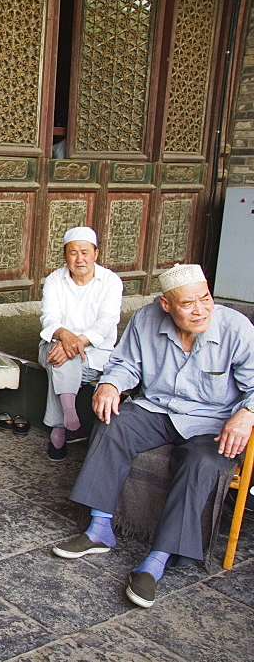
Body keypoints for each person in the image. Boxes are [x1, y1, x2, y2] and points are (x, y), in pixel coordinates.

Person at [52, 264, 254, 609]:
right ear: (166, 305)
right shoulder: (146, 319)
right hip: (159, 408)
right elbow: (126, 363)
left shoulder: (235, 328)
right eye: (188, 304)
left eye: (205, 299)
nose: (200, 310)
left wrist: (247, 413)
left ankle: (156, 561)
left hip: (212, 421)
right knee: (112, 423)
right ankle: (100, 529)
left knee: (202, 461)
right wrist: (110, 384)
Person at [38, 226, 123, 461]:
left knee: (62, 359)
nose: (79, 258)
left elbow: (107, 322)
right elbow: (49, 318)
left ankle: (59, 428)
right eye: (73, 252)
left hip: (96, 352)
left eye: (85, 252)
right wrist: (65, 335)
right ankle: (71, 419)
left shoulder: (110, 281)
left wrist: (75, 343)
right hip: (55, 344)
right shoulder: (55, 279)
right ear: (65, 255)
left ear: (95, 254)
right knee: (58, 356)